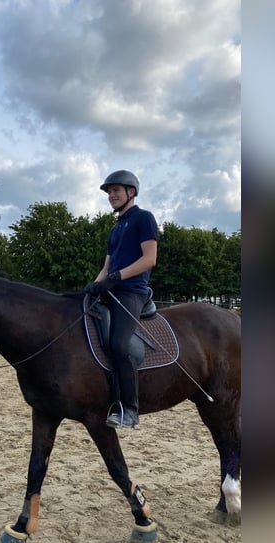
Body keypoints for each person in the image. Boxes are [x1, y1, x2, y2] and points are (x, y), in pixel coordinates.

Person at [84, 170, 158, 429]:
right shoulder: (115, 229)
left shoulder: (144, 219)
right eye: (109, 191)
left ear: (131, 192)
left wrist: (118, 276)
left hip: (133, 292)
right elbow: (107, 266)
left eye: (117, 190)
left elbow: (149, 259)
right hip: (112, 289)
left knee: (119, 344)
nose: (111, 195)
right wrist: (94, 286)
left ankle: (130, 408)